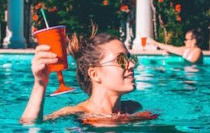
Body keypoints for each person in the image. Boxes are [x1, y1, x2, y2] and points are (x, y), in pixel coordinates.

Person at [20, 31, 156, 123]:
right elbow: (29, 126)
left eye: (129, 58)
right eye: (121, 60)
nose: (132, 65)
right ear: (95, 74)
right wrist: (40, 84)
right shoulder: (76, 113)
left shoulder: (133, 108)